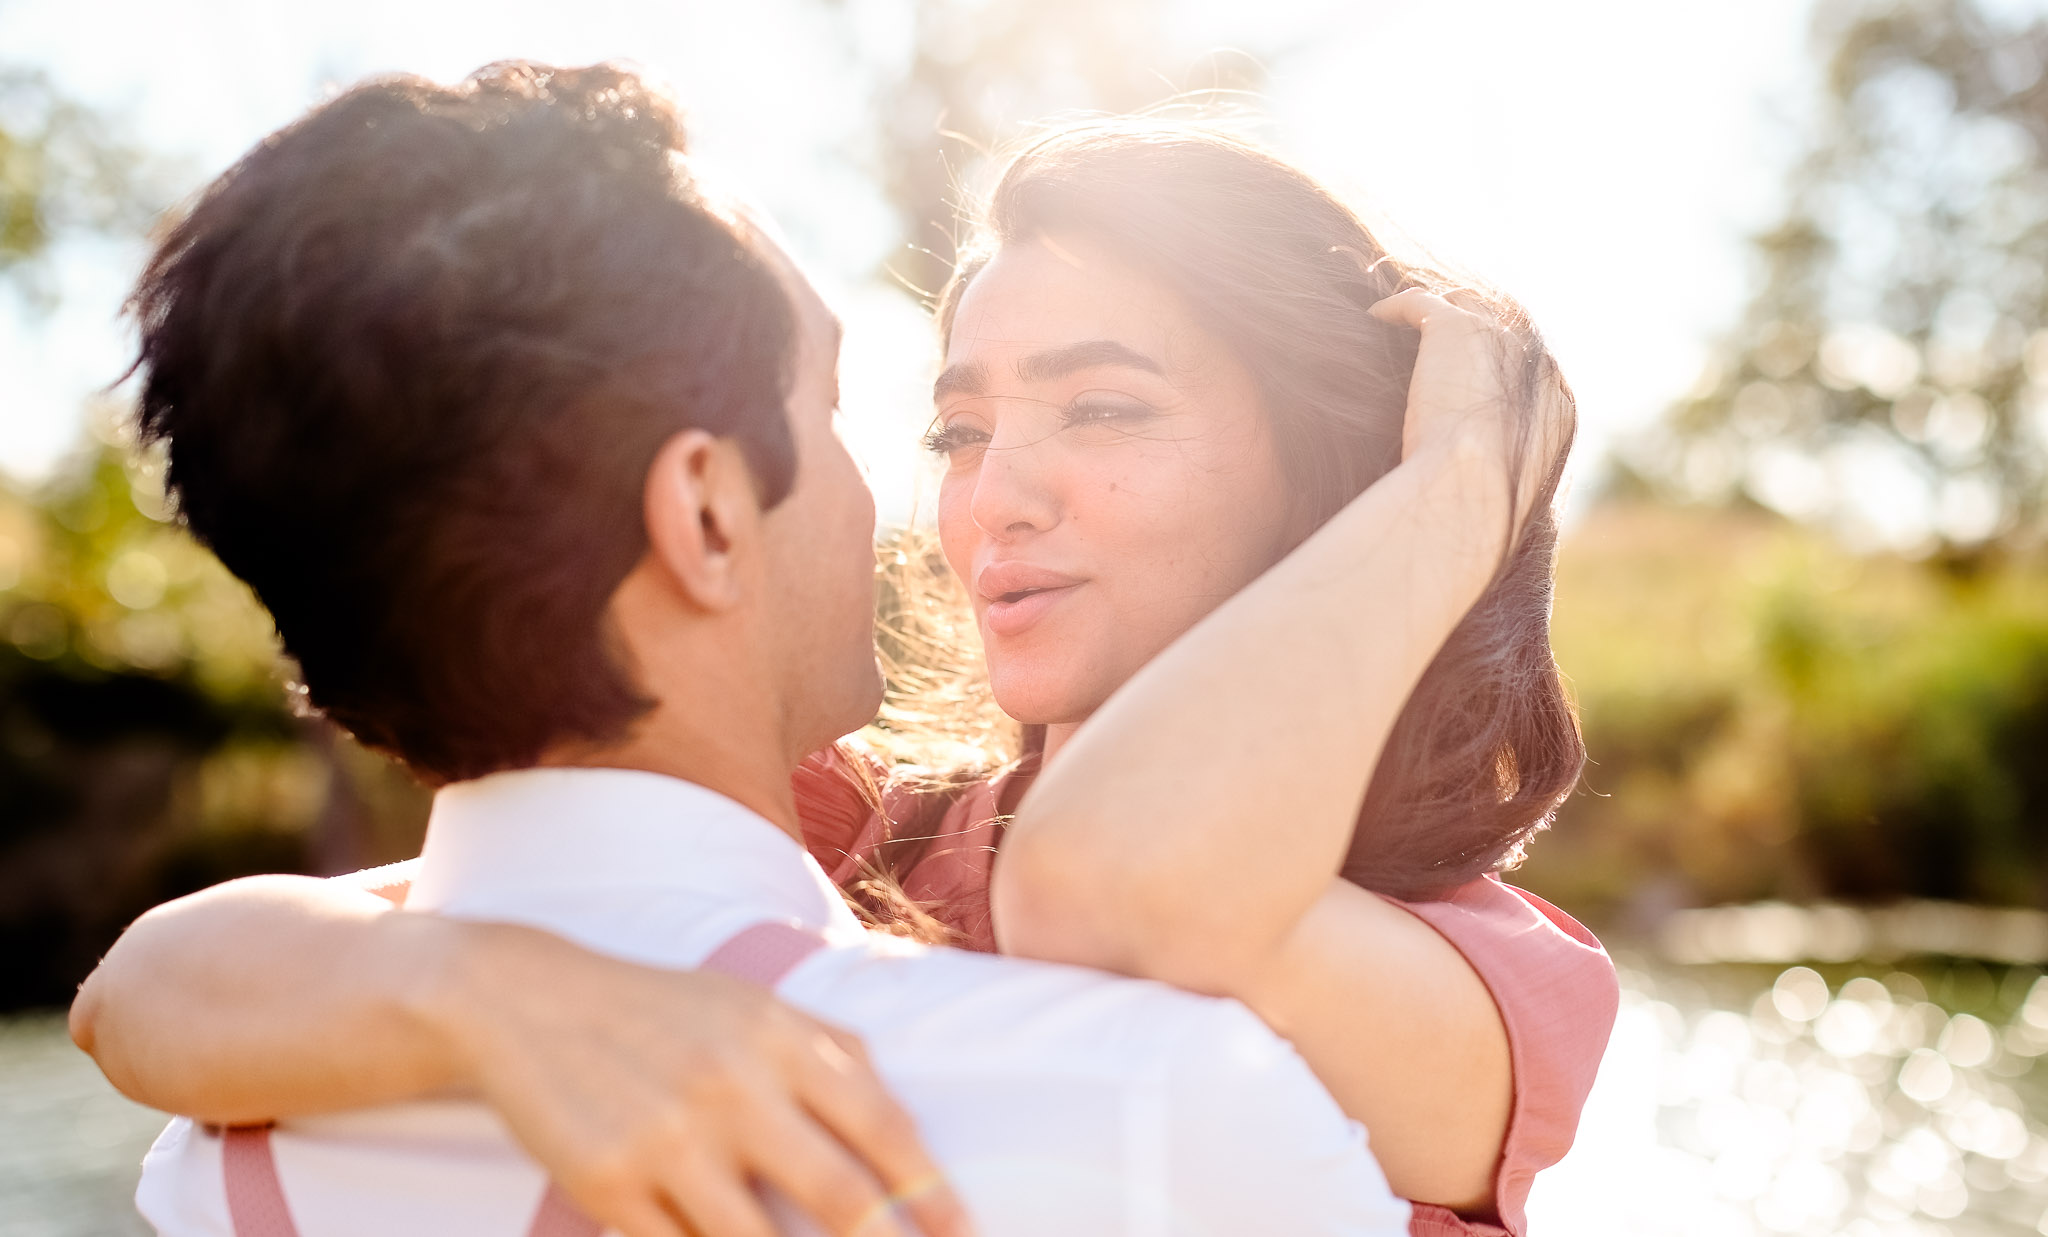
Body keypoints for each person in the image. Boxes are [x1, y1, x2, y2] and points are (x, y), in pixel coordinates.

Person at [75, 97, 1615, 1236]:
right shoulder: (871, 829)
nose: (991, 497)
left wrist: (1460, 481)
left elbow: (1117, 888)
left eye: (1102, 408)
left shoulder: (1487, 976)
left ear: (1329, 482)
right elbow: (146, 989)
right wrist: (483, 994)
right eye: (959, 428)